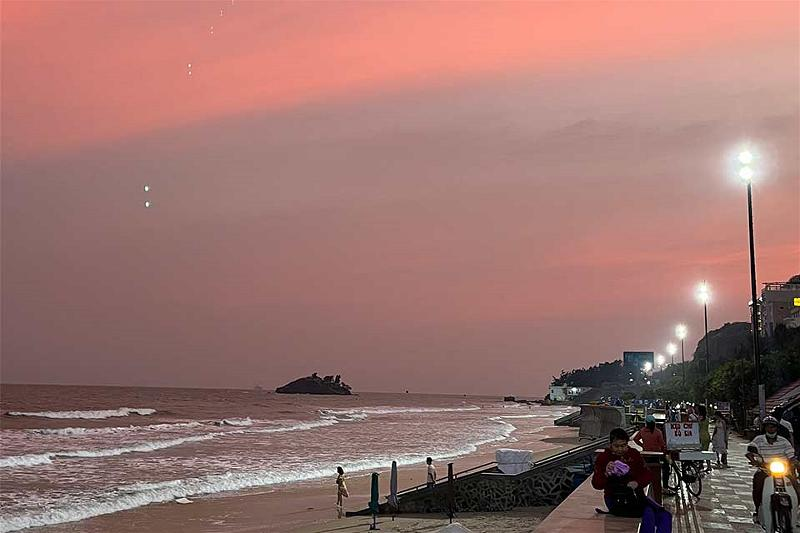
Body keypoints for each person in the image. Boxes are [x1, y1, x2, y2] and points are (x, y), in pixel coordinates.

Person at [745, 416, 797, 520]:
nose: (771, 429)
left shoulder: (783, 441)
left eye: (773, 427)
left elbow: (791, 455)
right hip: (765, 470)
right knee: (757, 486)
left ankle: (795, 510)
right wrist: (754, 461)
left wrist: (794, 462)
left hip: (784, 471)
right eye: (768, 426)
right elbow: (749, 452)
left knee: (796, 487)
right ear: (765, 428)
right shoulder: (759, 440)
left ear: (776, 428)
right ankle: (757, 510)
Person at [632, 415, 670, 493]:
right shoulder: (658, 432)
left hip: (646, 455)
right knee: (666, 468)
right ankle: (665, 487)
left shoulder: (642, 431)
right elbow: (662, 444)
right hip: (657, 455)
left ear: (646, 423)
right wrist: (665, 452)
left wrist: (642, 445)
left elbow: (635, 439)